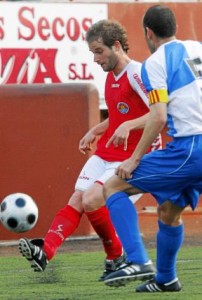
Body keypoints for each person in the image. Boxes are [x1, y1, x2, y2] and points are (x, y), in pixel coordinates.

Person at [18, 19, 161, 281]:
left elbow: (160, 112)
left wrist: (130, 124)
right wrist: (95, 130)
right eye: (92, 52)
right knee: (78, 198)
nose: (95, 59)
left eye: (98, 51)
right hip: (109, 151)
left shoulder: (138, 73)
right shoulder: (111, 76)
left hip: (136, 156)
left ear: (116, 46)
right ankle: (45, 251)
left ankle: (115, 255)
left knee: (92, 198)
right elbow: (118, 116)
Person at [102, 4, 202, 293]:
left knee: (114, 187)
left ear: (148, 32)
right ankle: (166, 278)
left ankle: (137, 260)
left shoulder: (155, 63)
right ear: (176, 28)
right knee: (169, 211)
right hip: (193, 150)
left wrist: (134, 159)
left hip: (189, 149)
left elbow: (158, 115)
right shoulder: (197, 48)